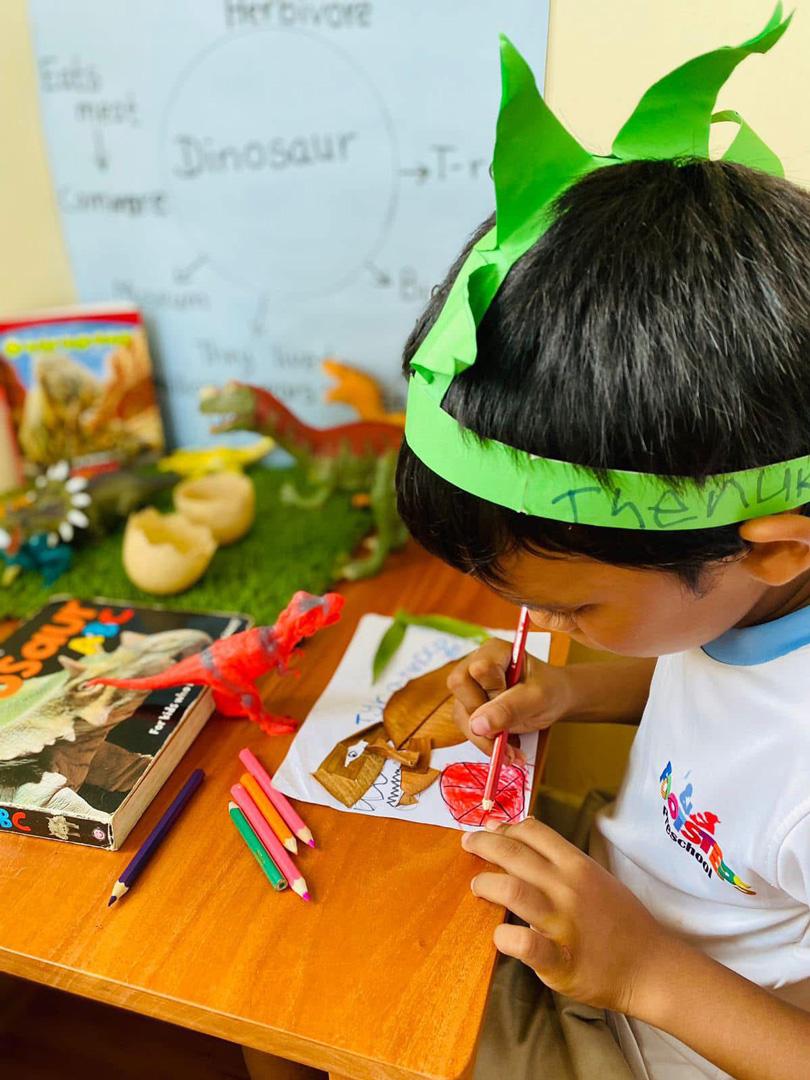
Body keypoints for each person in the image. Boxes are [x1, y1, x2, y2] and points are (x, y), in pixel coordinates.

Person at [394, 101, 810, 1080]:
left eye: (575, 608)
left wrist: (644, 972)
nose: (538, 624)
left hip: (661, 1037)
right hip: (616, 904)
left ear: (774, 549)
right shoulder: (750, 596)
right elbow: (726, 698)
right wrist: (573, 689)